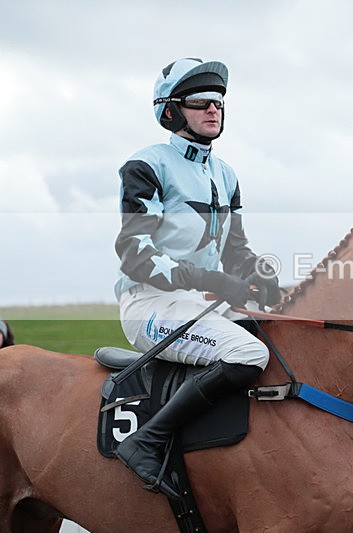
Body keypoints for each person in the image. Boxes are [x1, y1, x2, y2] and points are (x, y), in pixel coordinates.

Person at [113, 58, 281, 496]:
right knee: (248, 354)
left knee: (282, 332)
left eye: (219, 103)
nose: (213, 110)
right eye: (201, 102)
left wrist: (260, 275)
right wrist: (216, 279)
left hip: (201, 304)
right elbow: (136, 255)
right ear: (171, 110)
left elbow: (236, 251)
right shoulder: (146, 165)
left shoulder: (225, 174)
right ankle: (146, 440)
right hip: (149, 305)